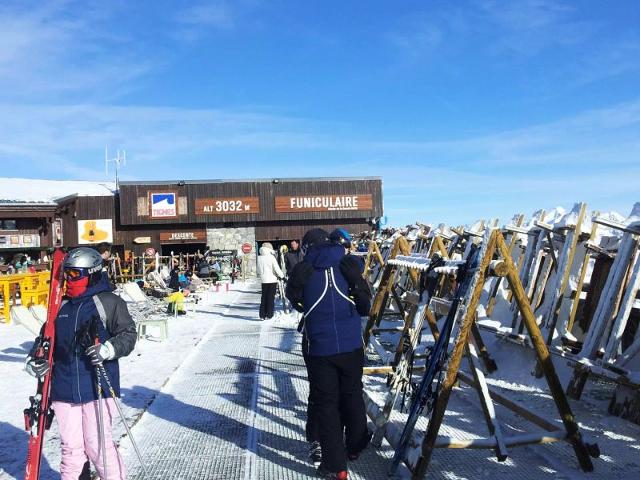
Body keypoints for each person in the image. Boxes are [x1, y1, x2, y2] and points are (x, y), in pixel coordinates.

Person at [25, 247, 136, 480]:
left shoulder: (108, 301)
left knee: (98, 447)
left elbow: (127, 334)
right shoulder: (60, 306)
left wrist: (108, 349)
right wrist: (36, 361)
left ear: (92, 273)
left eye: (75, 274)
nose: (69, 280)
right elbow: (44, 341)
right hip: (63, 388)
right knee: (71, 450)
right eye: (66, 274)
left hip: (96, 386)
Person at [286, 229, 372, 479]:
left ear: (308, 247)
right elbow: (364, 305)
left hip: (320, 348)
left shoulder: (304, 270)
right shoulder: (349, 263)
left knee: (327, 405)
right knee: (353, 394)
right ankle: (355, 446)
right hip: (351, 345)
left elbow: (298, 303)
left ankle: (336, 465)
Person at [257, 242, 284, 320]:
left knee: (264, 297)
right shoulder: (271, 257)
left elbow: (258, 270)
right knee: (270, 298)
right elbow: (276, 268)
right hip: (272, 280)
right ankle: (269, 314)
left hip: (263, 280)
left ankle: (262, 315)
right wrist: (282, 276)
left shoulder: (259, 258)